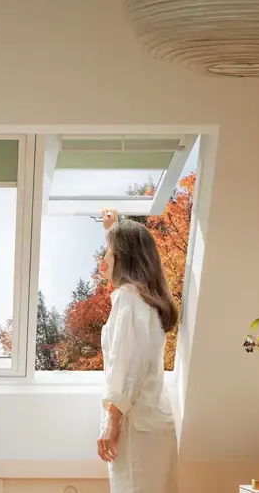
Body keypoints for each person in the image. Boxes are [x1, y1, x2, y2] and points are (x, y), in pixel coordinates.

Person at [96, 208, 179, 493]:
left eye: (108, 252)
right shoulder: (146, 302)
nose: (104, 259)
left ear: (123, 257)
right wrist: (111, 230)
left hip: (135, 426)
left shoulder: (129, 301)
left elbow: (128, 366)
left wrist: (112, 422)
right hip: (152, 423)